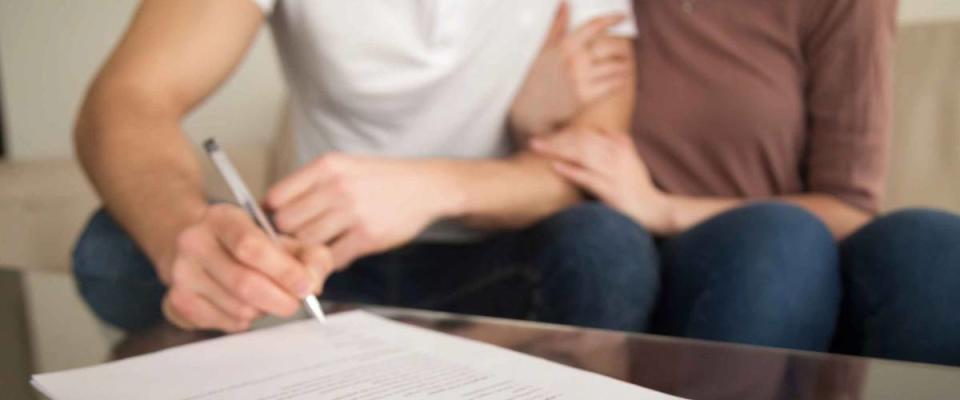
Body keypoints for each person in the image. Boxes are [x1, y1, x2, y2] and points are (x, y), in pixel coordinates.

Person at [72, 0, 654, 334]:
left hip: (493, 264)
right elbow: (127, 99)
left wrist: (433, 187)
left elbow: (594, 165)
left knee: (606, 248)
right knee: (113, 246)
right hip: (316, 267)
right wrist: (181, 235)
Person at [532, 0, 960, 365]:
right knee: (781, 241)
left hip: (786, 268)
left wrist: (663, 208)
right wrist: (532, 109)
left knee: (934, 245)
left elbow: (849, 207)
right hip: (650, 261)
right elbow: (547, 140)